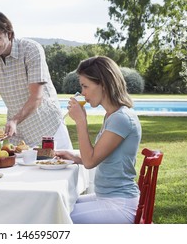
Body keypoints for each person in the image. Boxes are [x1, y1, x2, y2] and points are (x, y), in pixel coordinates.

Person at [55, 56, 141, 224]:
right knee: (56, 206)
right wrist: (73, 157)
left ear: (104, 84)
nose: (83, 93)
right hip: (107, 197)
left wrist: (80, 121)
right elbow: (99, 156)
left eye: (85, 86)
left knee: (55, 218)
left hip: (119, 204)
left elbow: (90, 162)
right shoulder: (113, 115)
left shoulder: (121, 118)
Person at [0, 12, 72, 149]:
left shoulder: (31, 50)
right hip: (17, 133)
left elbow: (37, 96)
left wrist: (14, 120)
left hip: (48, 128)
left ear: (10, 34)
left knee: (58, 168)